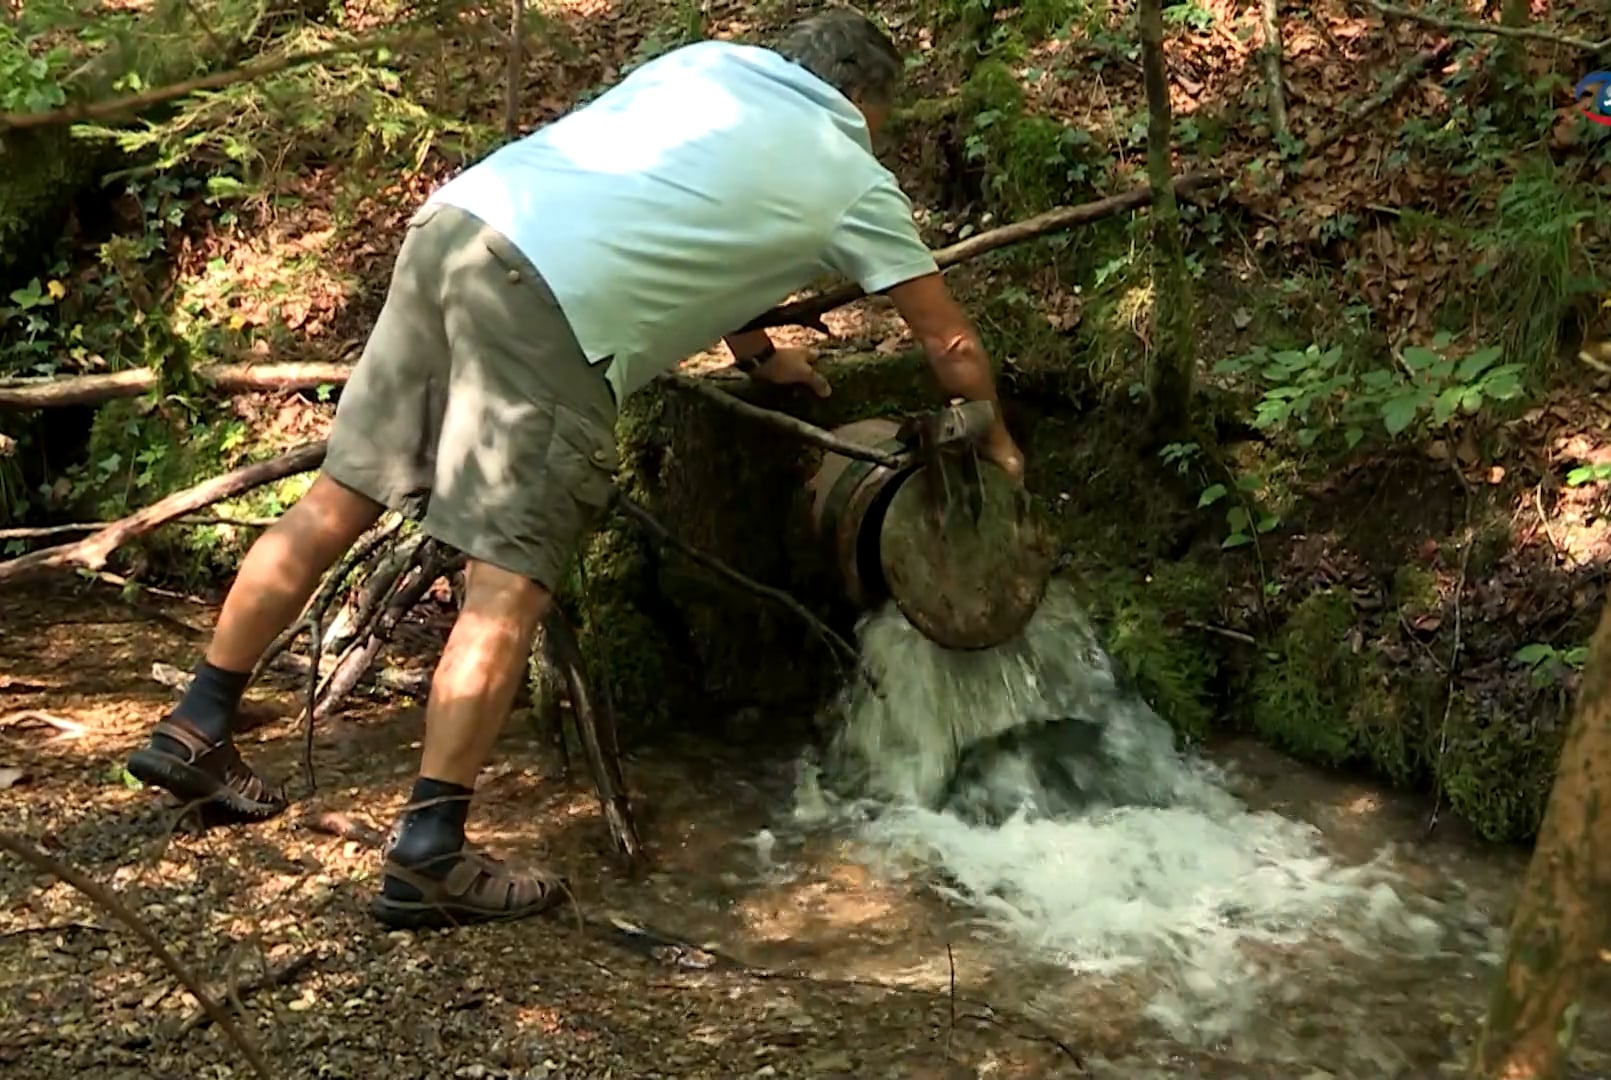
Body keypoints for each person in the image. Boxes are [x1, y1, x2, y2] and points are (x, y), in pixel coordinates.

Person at [123, 6, 1025, 929]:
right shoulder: (850, 175)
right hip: (546, 311)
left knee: (338, 498)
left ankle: (197, 723)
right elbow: (947, 338)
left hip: (459, 225)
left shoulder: (709, 66)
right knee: (505, 588)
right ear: (864, 101)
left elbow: (672, 219)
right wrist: (996, 444)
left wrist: (759, 358)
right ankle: (430, 853)